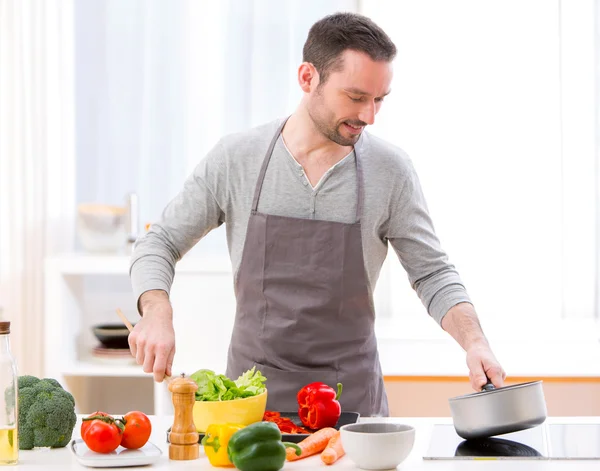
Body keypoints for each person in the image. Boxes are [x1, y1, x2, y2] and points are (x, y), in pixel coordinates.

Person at [129, 12, 506, 417]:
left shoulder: (390, 170)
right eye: (357, 97)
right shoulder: (237, 159)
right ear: (308, 78)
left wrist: (475, 342)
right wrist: (156, 310)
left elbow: (432, 273)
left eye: (380, 99)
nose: (370, 116)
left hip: (351, 408)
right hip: (251, 406)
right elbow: (160, 242)